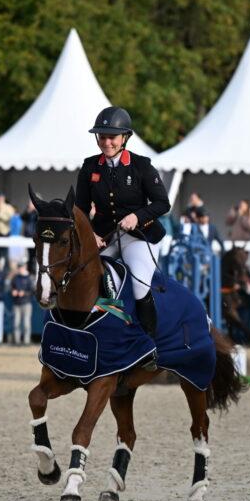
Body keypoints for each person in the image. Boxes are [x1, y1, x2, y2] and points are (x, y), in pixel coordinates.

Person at [75, 106, 170, 336]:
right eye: (102, 137)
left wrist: (137, 216)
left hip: (139, 237)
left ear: (125, 137)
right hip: (105, 237)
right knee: (88, 279)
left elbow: (162, 203)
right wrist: (90, 235)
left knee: (139, 286)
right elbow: (80, 209)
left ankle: (149, 344)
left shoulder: (142, 166)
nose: (106, 142)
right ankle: (104, 332)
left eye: (112, 137)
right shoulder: (90, 167)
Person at [10, 262, 33, 345]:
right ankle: (17, 341)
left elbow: (32, 291)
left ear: (25, 267)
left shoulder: (29, 278)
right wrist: (13, 292)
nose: (20, 268)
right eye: (19, 267)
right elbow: (11, 288)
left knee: (26, 324)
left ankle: (26, 341)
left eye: (22, 267)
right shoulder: (15, 278)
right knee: (16, 323)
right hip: (16, 303)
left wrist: (24, 293)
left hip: (26, 303)